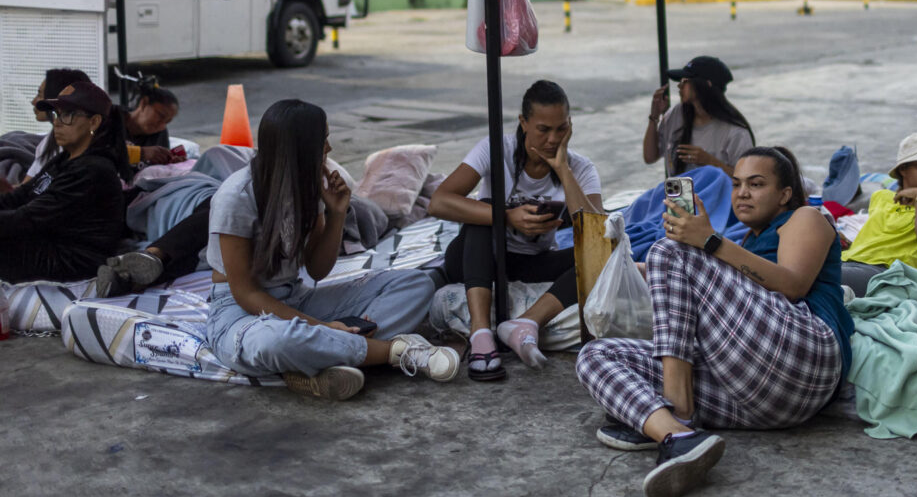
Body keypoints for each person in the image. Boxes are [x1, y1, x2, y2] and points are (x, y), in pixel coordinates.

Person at [576, 147, 852, 497]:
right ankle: (676, 436)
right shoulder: (745, 242)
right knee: (595, 356)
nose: (742, 193)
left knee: (667, 250)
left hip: (806, 358)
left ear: (784, 194)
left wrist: (707, 242)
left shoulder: (805, 217)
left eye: (756, 184)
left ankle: (680, 411)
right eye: (736, 184)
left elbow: (793, 284)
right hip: (755, 398)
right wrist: (632, 270)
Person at [205, 99, 458, 400]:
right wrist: (325, 326)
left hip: (296, 299)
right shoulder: (235, 197)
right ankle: (397, 352)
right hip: (239, 314)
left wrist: (336, 212)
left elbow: (317, 270)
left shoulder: (308, 186)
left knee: (416, 284)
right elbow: (246, 294)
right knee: (273, 342)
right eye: (323, 139)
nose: (329, 149)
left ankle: (321, 361)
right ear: (299, 147)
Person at [430, 80, 602, 381]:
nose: (552, 139)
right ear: (523, 123)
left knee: (602, 254)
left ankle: (525, 324)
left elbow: (596, 234)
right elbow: (439, 202)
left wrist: (563, 170)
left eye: (561, 129)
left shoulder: (580, 168)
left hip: (531, 261)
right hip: (478, 257)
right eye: (543, 129)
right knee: (484, 210)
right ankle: (481, 334)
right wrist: (507, 216)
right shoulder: (496, 150)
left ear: (570, 125)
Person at [0, 81, 130, 283]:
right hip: (47, 243)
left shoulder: (93, 170)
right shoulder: (64, 160)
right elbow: (20, 197)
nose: (57, 123)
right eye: (57, 114)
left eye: (67, 115)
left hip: (72, 259)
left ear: (94, 122)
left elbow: (26, 219)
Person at [840, 131, 917, 295]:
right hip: (849, 263)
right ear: (903, 169)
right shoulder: (882, 197)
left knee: (818, 279)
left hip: (889, 275)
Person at [644, 56, 755, 177]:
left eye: (685, 81)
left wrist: (709, 161)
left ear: (706, 85)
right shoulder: (677, 113)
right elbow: (650, 157)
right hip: (679, 196)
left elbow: (747, 181)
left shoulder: (736, 132)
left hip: (716, 195)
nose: (679, 86)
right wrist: (654, 118)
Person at [0, 68, 92, 194]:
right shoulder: (49, 142)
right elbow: (27, 189)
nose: (33, 102)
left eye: (39, 95)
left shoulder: (87, 151)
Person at [124, 84, 180, 166]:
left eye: (167, 121)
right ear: (144, 103)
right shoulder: (112, 119)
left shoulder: (160, 133)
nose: (161, 125)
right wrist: (142, 153)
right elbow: (102, 153)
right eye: (160, 115)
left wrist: (170, 162)